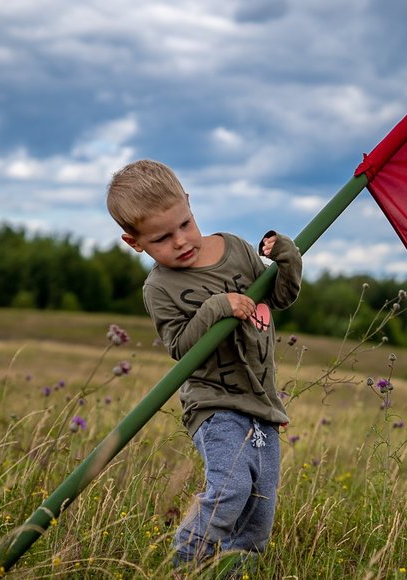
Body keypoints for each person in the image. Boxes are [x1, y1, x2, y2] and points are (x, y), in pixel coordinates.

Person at [105, 159, 301, 570]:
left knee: (259, 511)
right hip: (215, 405)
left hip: (261, 405)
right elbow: (180, 347)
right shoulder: (160, 287)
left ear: (190, 204)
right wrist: (216, 307)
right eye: (161, 238)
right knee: (230, 489)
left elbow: (280, 297)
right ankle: (184, 564)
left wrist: (288, 258)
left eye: (185, 224)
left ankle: (231, 571)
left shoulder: (235, 249)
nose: (180, 241)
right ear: (134, 242)